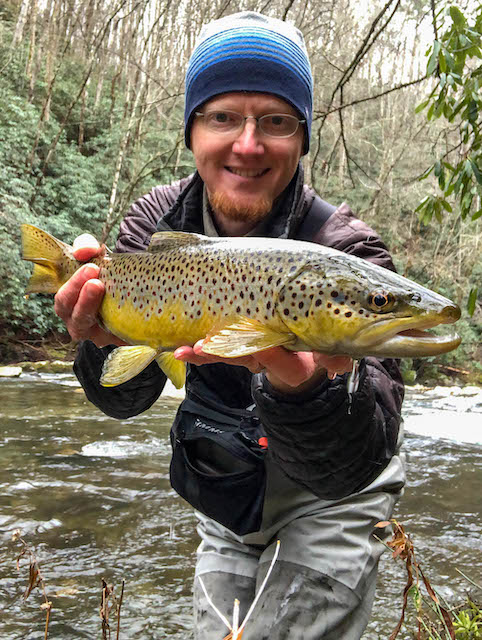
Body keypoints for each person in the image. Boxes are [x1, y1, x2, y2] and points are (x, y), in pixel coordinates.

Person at [55, 12, 405, 640]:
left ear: (301, 138)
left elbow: (355, 463)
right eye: (223, 118)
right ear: (192, 131)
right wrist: (97, 338)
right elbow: (122, 400)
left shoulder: (350, 255)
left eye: (274, 120)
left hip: (334, 501)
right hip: (224, 489)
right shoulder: (156, 224)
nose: (248, 144)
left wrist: (303, 388)